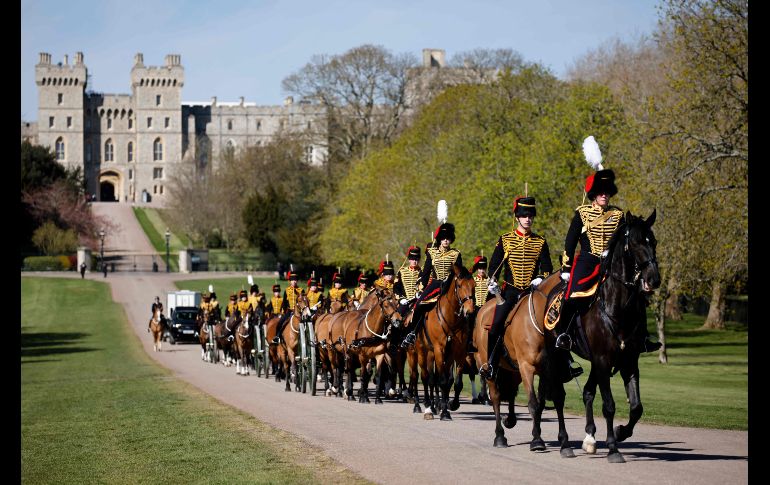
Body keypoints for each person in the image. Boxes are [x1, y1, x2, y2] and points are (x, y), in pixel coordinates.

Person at [556, 162, 661, 354]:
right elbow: (569, 243)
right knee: (572, 294)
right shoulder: (582, 214)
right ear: (593, 194)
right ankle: (565, 334)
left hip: (611, 264)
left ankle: (643, 337)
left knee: (637, 297)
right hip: (587, 261)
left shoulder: (618, 214)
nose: (604, 195)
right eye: (600, 191)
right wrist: (566, 269)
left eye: (607, 191)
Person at [479, 196, 552, 380]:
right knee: (496, 324)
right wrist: (493, 281)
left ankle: (564, 365)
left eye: (530, 215)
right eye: (524, 215)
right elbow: (494, 265)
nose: (528, 219)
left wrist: (539, 279)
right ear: (517, 217)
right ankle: (491, 364)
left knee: (554, 323)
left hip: (532, 292)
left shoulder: (540, 242)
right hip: (511, 291)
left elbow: (547, 269)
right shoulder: (505, 240)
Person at [401, 221, 462, 348]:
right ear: (439, 239)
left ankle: (468, 339)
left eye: (448, 238)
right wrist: (421, 287)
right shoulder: (432, 253)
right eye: (443, 238)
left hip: (450, 285)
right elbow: (426, 272)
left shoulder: (456, 254)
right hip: (435, 284)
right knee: (418, 305)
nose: (445, 240)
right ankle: (412, 333)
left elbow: (459, 273)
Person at [272, 272, 304, 344]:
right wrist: (283, 311)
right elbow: (284, 302)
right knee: (280, 322)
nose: (294, 281)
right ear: (290, 281)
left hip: (300, 312)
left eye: (295, 280)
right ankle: (277, 337)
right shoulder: (286, 290)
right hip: (290, 311)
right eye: (292, 280)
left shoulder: (301, 290)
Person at [394, 246, 422, 316]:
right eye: (412, 259)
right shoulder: (402, 271)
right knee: (397, 319)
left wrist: (420, 293)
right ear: (409, 260)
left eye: (416, 259)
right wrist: (401, 298)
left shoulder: (422, 272)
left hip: (417, 300)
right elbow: (396, 288)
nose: (414, 261)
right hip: (404, 301)